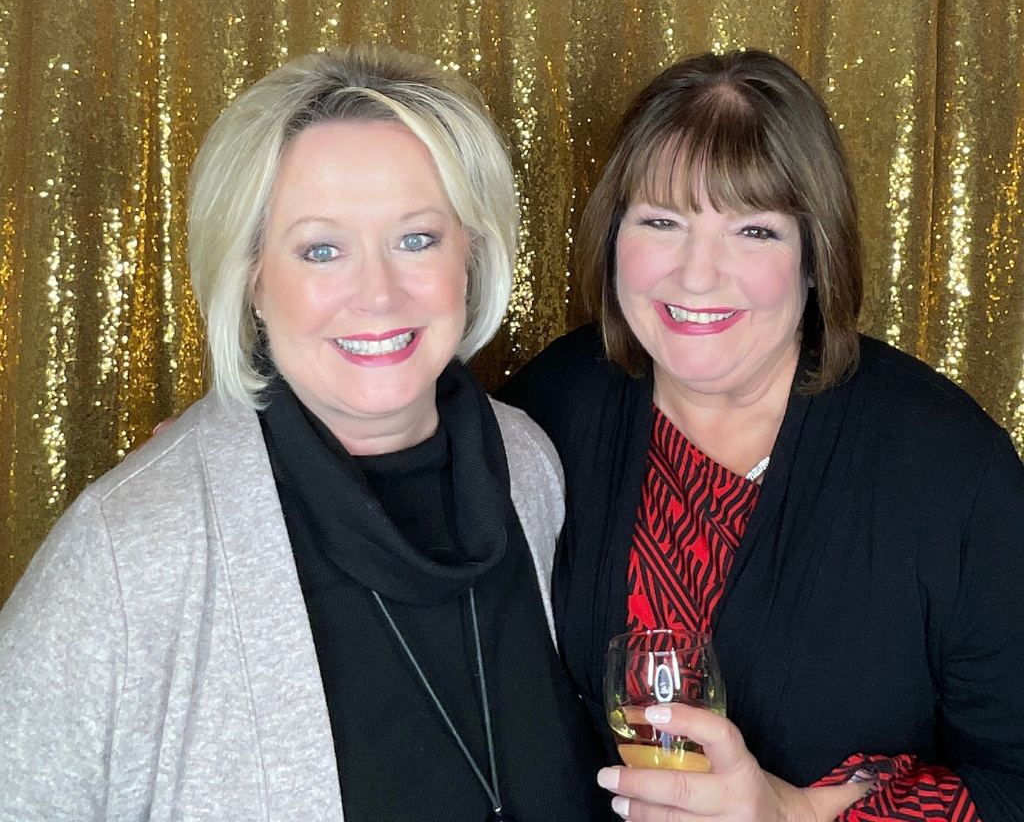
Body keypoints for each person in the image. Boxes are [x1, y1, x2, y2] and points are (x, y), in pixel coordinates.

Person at [0, 47, 614, 822]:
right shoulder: (131, 548)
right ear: (253, 277)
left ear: (473, 250)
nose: (379, 293)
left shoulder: (532, 466)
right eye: (321, 250)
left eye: (417, 238)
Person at [499, 49, 1024, 822]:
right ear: (613, 238)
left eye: (752, 231)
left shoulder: (953, 468)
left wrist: (797, 814)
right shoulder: (550, 407)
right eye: (661, 221)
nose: (697, 275)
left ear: (816, 258)